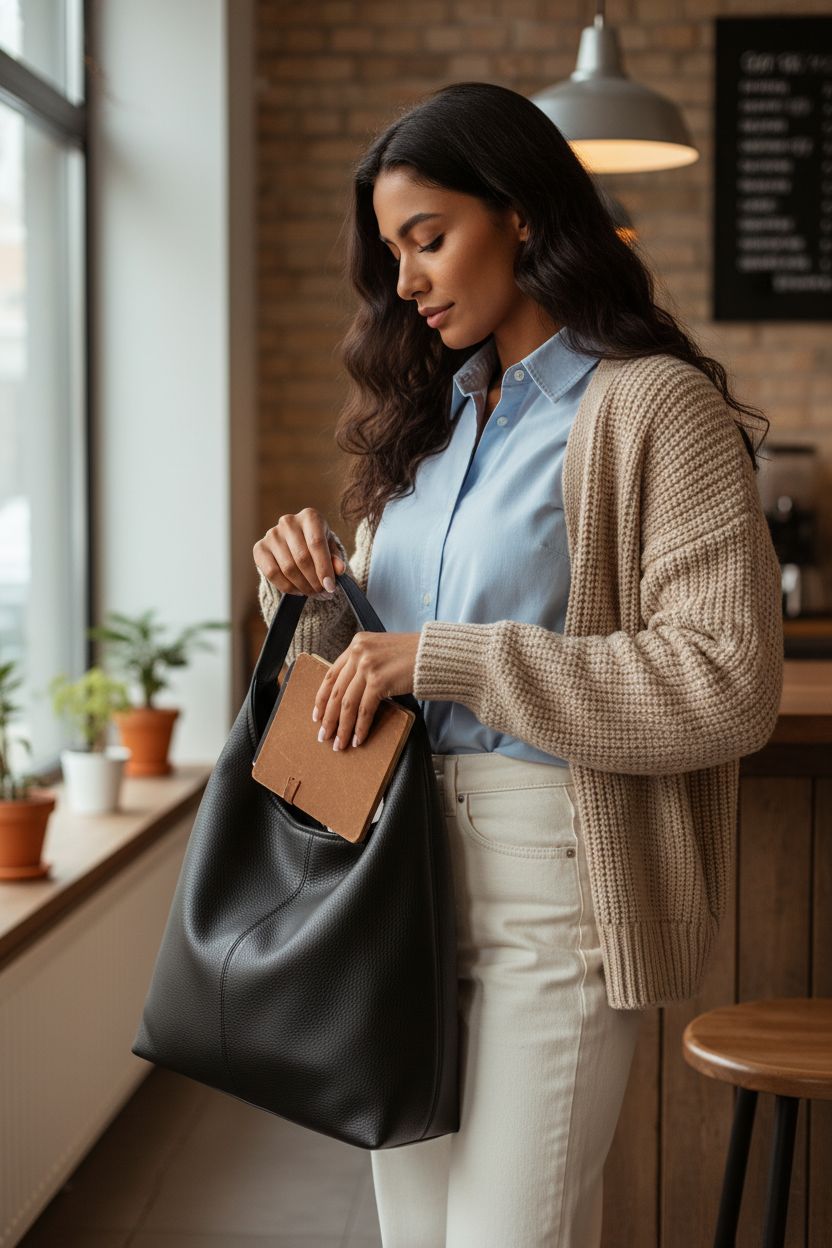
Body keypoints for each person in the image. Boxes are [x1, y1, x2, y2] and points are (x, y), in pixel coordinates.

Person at [253, 82, 784, 1248]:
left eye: (428, 239)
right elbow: (366, 678)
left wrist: (448, 660)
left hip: (555, 882)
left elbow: (727, 683)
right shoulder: (427, 426)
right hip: (397, 879)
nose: (404, 281)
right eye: (391, 253)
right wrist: (308, 598)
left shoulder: (653, 409)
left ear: (526, 214)